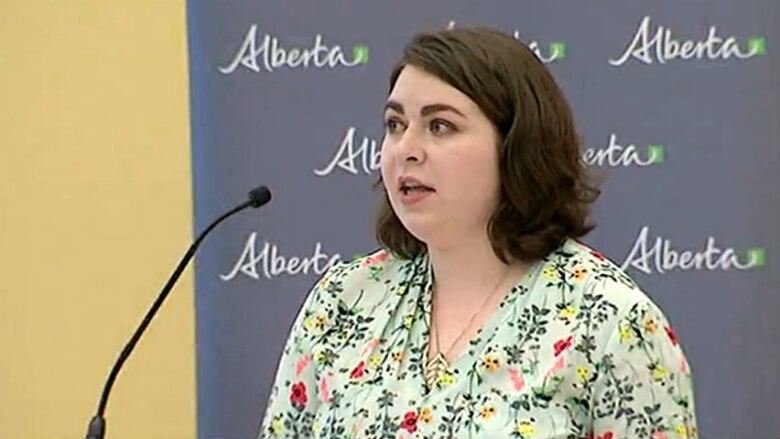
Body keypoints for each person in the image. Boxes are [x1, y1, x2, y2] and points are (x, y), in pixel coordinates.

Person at [257, 27, 698, 439]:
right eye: (395, 125)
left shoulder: (609, 320)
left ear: (515, 147)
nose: (407, 149)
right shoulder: (342, 301)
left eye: (440, 126)